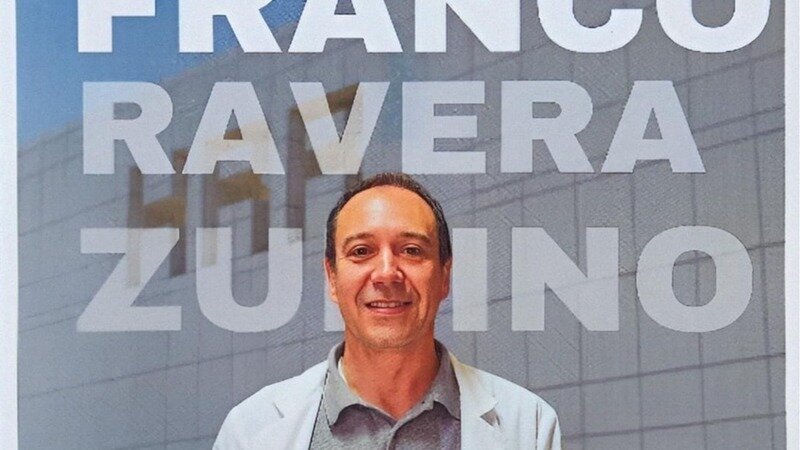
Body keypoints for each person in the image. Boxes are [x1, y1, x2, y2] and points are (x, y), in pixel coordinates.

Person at [213, 173, 561, 449]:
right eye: (361, 251)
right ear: (332, 277)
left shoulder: (527, 426)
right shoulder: (251, 431)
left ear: (444, 276)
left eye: (411, 250)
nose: (386, 273)